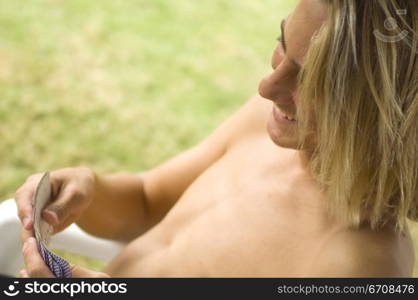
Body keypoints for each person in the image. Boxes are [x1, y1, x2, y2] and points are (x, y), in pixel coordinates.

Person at [15, 0, 417, 277]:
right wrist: (89, 190)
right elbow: (146, 202)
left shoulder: (360, 263)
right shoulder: (262, 127)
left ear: (382, 115)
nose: (266, 87)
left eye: (310, 80)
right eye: (282, 45)